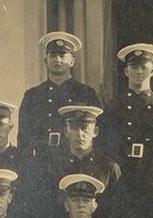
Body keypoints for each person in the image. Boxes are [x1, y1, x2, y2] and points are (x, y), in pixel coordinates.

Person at [36, 105, 123, 218]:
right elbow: (46, 209)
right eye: (74, 128)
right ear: (66, 131)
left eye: (84, 128)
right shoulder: (52, 166)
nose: (79, 134)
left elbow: (117, 212)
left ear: (95, 131)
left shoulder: (108, 167)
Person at [17, 31, 102, 160]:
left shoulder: (86, 93)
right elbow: (24, 138)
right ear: (46, 61)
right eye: (53, 55)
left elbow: (97, 133)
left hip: (75, 161)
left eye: (62, 55)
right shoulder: (33, 96)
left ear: (72, 62)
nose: (58, 60)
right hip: (43, 162)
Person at [97, 43, 153, 172]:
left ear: (152, 71)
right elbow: (104, 141)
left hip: (152, 169)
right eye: (134, 67)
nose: (139, 72)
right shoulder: (113, 105)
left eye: (144, 67)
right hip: (122, 169)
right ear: (126, 71)